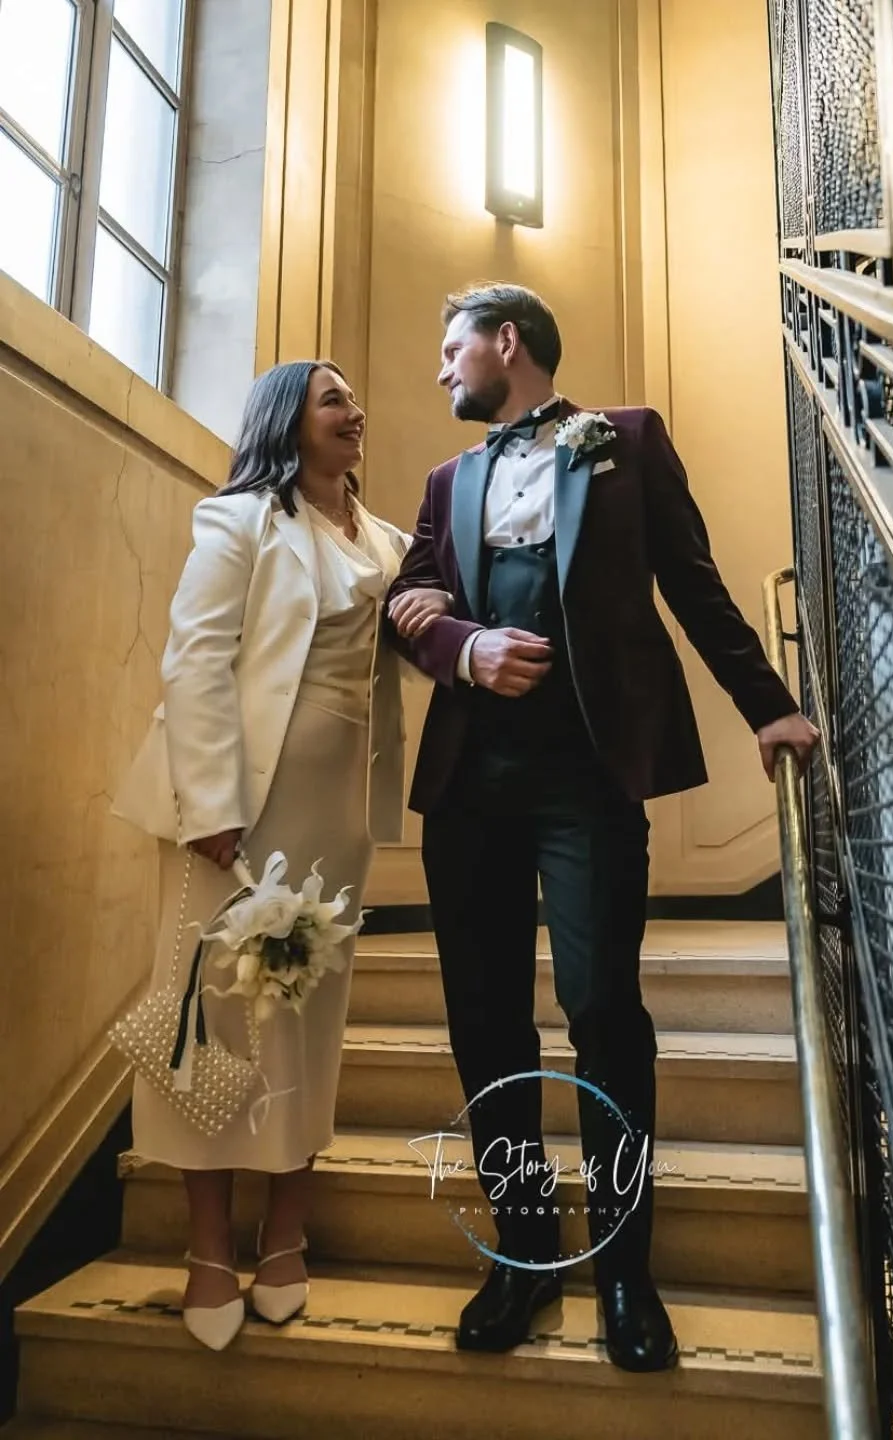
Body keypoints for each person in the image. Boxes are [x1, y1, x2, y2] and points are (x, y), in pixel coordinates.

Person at [385, 283, 819, 1373]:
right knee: (486, 1024)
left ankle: (626, 1268)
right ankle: (525, 1253)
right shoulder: (447, 482)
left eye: (453, 350)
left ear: (507, 342)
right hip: (472, 783)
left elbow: (697, 583)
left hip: (588, 777)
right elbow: (410, 602)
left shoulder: (624, 444)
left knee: (604, 1012)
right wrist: (464, 649)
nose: (442, 371)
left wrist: (767, 703)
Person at [112, 360, 448, 1351]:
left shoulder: (388, 541)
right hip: (240, 808)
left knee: (309, 1013)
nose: (357, 410)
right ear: (284, 421)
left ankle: (288, 1228)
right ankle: (209, 1245)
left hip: (337, 810)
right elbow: (196, 657)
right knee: (213, 1015)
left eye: (355, 397)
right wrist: (210, 805)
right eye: (334, 398)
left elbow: (422, 639)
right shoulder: (242, 520)